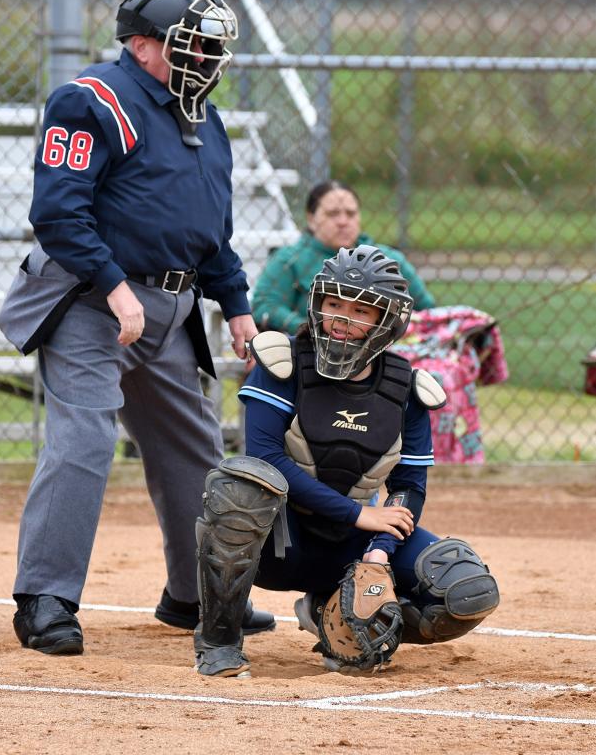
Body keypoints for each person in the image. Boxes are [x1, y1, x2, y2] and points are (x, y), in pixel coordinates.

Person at [0, 0, 274, 655]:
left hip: (172, 309)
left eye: (212, 47)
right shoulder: (92, 100)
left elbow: (212, 233)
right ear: (144, 46)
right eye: (194, 44)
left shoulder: (202, 120)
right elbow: (59, 214)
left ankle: (195, 597)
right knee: (85, 441)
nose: (207, 57)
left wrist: (237, 308)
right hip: (93, 304)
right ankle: (45, 599)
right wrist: (115, 286)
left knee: (197, 455)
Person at [194, 244, 500, 677]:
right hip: (281, 542)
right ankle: (219, 641)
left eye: (361, 310)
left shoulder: (406, 388)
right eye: (333, 303)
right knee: (242, 485)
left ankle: (335, 614)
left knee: (467, 591)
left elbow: (410, 485)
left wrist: (379, 552)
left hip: (353, 547)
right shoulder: (283, 363)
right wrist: (359, 515)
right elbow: (266, 457)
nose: (341, 318)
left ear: (387, 321)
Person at [251, 180, 435, 334]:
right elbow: (265, 305)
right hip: (310, 351)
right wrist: (314, 329)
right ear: (311, 219)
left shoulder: (389, 259)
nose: (343, 221)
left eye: (351, 213)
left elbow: (428, 311)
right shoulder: (290, 260)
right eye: (332, 214)